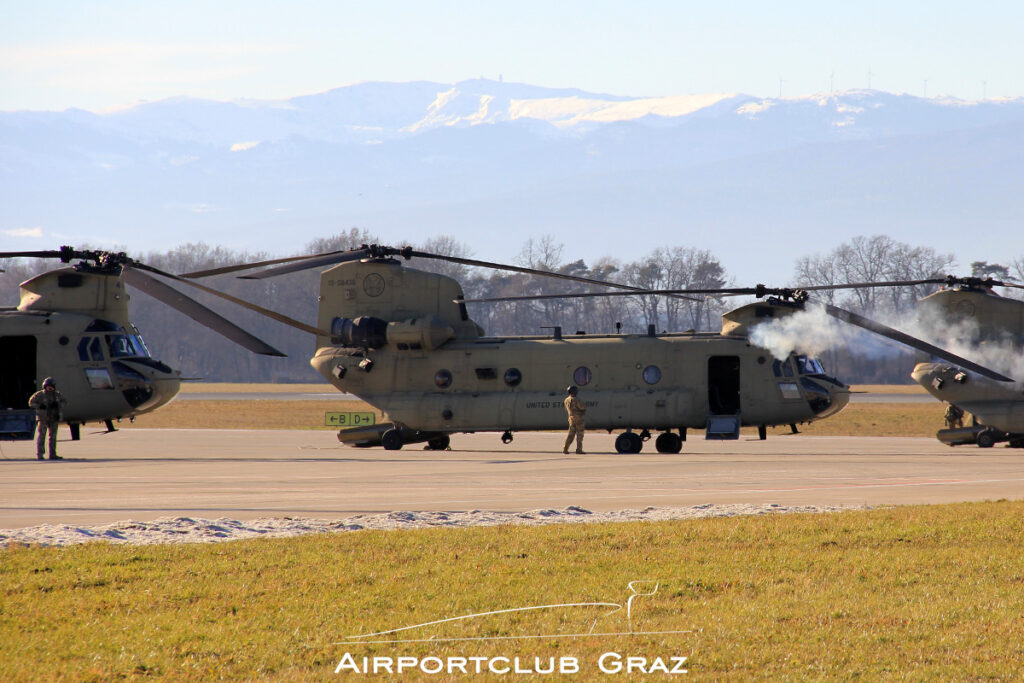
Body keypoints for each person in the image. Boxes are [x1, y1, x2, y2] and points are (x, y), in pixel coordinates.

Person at [28, 377, 67, 460]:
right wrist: (39, 406)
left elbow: (64, 402)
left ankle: (53, 454)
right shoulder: (40, 395)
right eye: (48, 386)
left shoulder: (57, 395)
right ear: (44, 386)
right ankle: (40, 454)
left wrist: (58, 404)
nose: (49, 388)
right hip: (43, 419)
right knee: (42, 436)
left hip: (54, 418)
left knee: (53, 437)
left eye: (51, 386)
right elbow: (31, 403)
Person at [563, 385, 586, 454]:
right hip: (579, 419)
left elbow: (566, 408)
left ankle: (565, 448)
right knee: (580, 434)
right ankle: (579, 449)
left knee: (571, 434)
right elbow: (582, 407)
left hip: (571, 418)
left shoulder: (566, 400)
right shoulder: (577, 399)